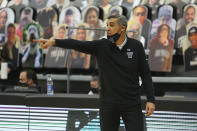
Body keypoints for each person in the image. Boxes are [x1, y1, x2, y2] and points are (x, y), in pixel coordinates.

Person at [35, 14, 155, 131]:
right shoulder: (102, 45)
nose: (107, 28)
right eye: (107, 25)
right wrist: (53, 42)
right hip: (108, 104)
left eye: (111, 25)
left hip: (131, 103)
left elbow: (145, 74)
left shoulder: (136, 46)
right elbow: (77, 44)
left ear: (122, 27)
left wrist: (151, 99)